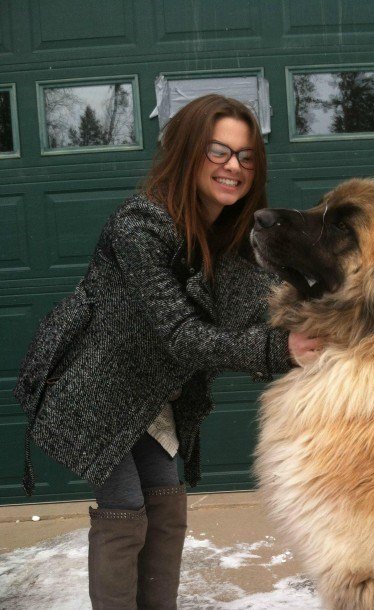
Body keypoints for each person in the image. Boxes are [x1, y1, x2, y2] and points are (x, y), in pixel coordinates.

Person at [13, 94, 321, 610]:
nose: (233, 166)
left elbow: (267, 307)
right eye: (218, 151)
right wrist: (279, 349)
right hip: (96, 388)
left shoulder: (232, 237)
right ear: (187, 151)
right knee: (126, 507)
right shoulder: (140, 225)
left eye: (246, 156)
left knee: (166, 504)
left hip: (155, 395)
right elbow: (181, 334)